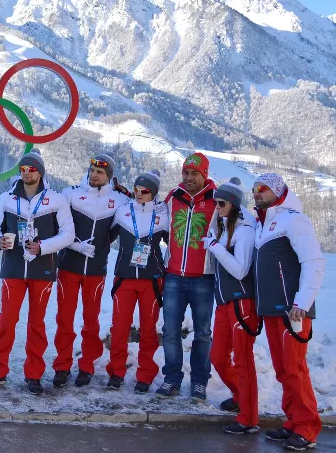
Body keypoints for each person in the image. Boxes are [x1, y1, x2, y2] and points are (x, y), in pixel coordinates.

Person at [0, 151, 75, 395]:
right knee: (7, 320)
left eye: (31, 168)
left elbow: (68, 234)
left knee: (36, 323)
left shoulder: (56, 199)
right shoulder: (7, 198)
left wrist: (43, 247)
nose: (26, 172)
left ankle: (34, 374)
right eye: (23, 168)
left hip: (42, 268)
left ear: (40, 171)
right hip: (12, 267)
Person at [252, 173, 324, 451]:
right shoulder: (265, 224)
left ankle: (307, 427)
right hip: (271, 310)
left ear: (278, 191)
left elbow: (313, 261)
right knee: (283, 370)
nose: (256, 193)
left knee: (295, 369)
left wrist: (302, 303)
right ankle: (293, 421)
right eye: (254, 189)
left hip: (293, 311)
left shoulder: (294, 220)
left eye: (263, 189)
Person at [53, 154, 129, 388]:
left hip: (96, 269)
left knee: (91, 321)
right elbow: (58, 226)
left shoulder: (118, 200)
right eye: (92, 170)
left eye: (100, 172)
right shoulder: (71, 193)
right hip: (69, 266)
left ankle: (86, 365)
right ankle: (62, 366)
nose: (95, 175)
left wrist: (103, 246)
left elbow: (117, 230)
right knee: (64, 320)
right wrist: (74, 244)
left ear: (109, 176)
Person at [157, 152, 217, 400]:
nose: (189, 178)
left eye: (195, 173)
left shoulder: (217, 200)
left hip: (204, 278)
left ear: (204, 175)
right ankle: (172, 378)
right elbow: (151, 213)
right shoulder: (173, 198)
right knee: (170, 330)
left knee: (202, 332)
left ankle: (199, 382)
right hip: (173, 277)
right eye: (186, 173)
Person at [204, 178, 261, 435]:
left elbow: (240, 269)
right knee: (217, 356)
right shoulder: (224, 225)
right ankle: (241, 397)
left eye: (222, 203)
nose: (217, 207)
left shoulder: (245, 230)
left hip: (242, 302)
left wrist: (216, 248)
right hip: (224, 301)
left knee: (243, 361)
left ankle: (248, 418)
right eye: (215, 202)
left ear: (235, 203)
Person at [107, 170, 168, 393]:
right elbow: (106, 237)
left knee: (148, 330)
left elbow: (175, 245)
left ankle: (146, 373)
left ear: (154, 193)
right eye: (136, 190)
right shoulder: (123, 211)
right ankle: (116, 371)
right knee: (119, 328)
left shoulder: (163, 214)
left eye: (145, 191)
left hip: (151, 280)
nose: (140, 194)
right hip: (124, 277)